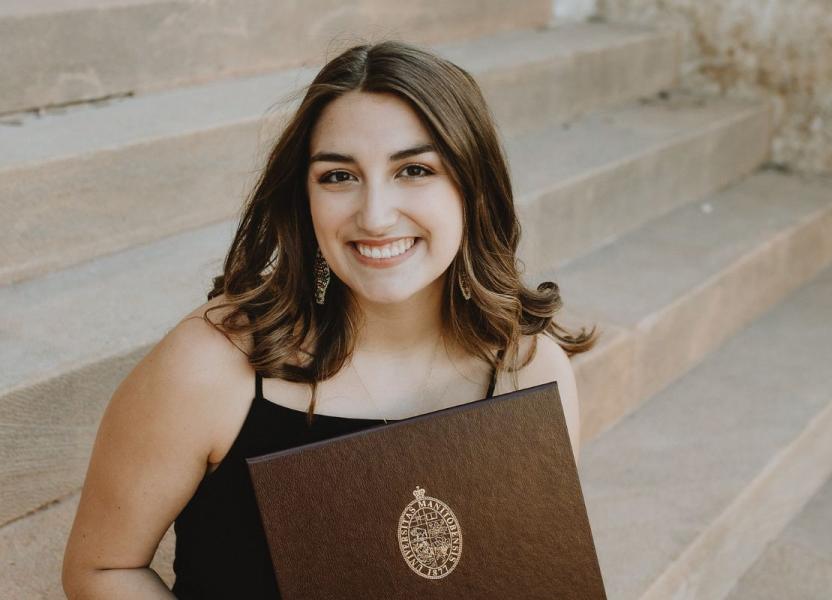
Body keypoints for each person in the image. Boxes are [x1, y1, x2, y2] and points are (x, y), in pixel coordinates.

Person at [61, 39, 599, 598]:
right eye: (339, 176)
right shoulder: (210, 364)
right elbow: (102, 569)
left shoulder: (528, 372)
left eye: (414, 170)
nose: (376, 216)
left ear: (473, 188)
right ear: (305, 198)